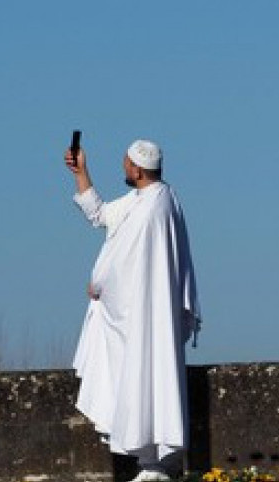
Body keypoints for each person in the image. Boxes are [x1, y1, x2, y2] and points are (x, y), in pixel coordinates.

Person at [64, 139, 201, 482]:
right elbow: (101, 215)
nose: (123, 167)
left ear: (137, 170)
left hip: (145, 310)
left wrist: (99, 285)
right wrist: (81, 173)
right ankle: (151, 460)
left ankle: (154, 461)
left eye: (126, 163)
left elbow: (123, 259)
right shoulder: (146, 199)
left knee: (148, 375)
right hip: (140, 309)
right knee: (138, 376)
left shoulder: (154, 208)